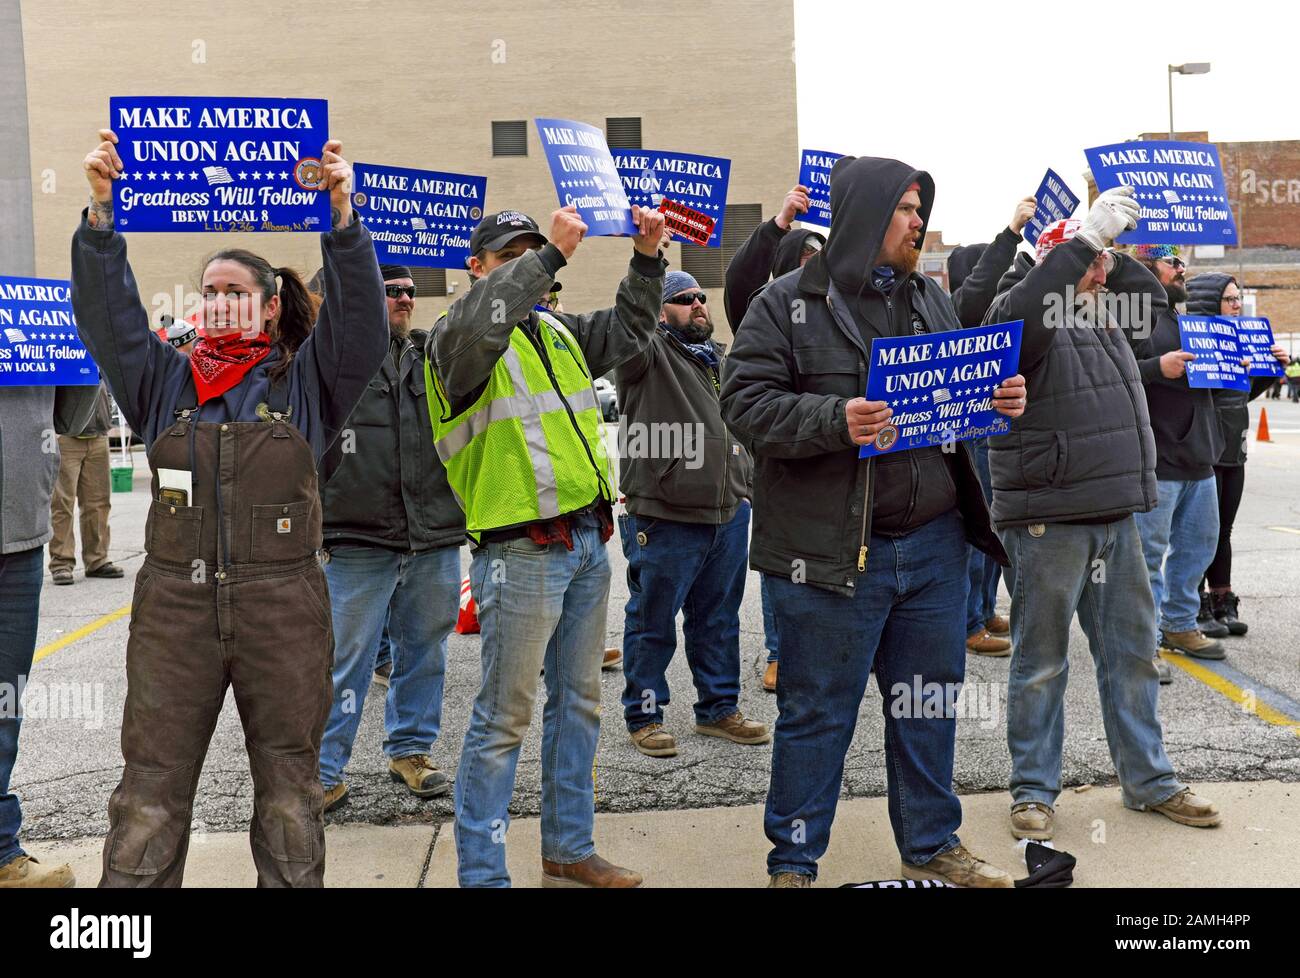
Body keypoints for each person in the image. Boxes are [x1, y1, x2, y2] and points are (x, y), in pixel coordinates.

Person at [74, 129, 386, 887]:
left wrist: (342, 217)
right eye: (208, 292)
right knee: (148, 796)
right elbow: (109, 321)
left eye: (234, 292)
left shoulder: (308, 386)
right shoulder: (163, 384)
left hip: (282, 613)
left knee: (288, 797)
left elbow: (360, 327)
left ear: (272, 306)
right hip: (173, 613)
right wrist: (101, 217)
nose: (216, 304)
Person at [721, 155, 1027, 888]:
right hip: (830, 557)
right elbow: (743, 406)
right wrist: (837, 418)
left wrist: (998, 400)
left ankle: (931, 843)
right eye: (905, 208)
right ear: (864, 216)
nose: (918, 222)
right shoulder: (786, 304)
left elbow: (954, 404)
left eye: (922, 209)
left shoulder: (932, 300)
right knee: (816, 715)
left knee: (927, 708)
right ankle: (793, 860)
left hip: (933, 550)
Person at [426, 204, 666, 888]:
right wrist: (551, 257)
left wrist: (647, 258)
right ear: (476, 268)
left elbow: (628, 328)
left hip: (587, 540)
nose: (530, 267)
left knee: (580, 704)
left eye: (533, 253)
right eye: (512, 256)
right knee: (504, 719)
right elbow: (484, 321)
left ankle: (568, 849)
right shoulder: (457, 336)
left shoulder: (556, 332)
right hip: (519, 554)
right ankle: (483, 874)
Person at [982, 199, 1221, 842]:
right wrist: (1083, 241)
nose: (1103, 272)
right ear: (1059, 259)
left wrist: (1113, 256)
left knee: (1132, 654)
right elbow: (1030, 310)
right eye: (1093, 261)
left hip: (1114, 515)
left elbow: (1149, 293)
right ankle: (1033, 790)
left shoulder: (1104, 314)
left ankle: (1149, 781)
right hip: (1048, 519)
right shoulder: (1016, 307)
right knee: (1041, 660)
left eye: (1107, 261)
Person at [316, 265, 465, 812]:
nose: (405, 298)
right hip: (357, 539)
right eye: (391, 291)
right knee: (344, 660)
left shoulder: (434, 357)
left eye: (409, 291)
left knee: (424, 650)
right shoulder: (334, 361)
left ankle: (411, 750)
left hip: (433, 535)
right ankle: (323, 770)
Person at [615, 270, 766, 758]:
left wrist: (744, 485)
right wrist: (646, 263)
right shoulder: (644, 353)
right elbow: (631, 322)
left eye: (702, 296)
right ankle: (645, 715)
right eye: (683, 299)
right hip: (664, 515)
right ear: (659, 312)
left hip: (726, 512)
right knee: (652, 619)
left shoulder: (718, 359)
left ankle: (718, 709)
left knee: (718, 618)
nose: (698, 304)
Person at [723, 185, 826, 693]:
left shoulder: (838, 309)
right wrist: (780, 222)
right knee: (786, 560)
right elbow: (739, 278)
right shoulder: (765, 308)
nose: (816, 266)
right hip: (784, 458)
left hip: (837, 452)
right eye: (805, 257)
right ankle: (780, 654)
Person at [1, 382, 98, 887]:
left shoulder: (35, 302)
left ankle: (1, 852)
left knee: (5, 704)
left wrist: (81, 350)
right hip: (21, 526)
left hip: (20, 533)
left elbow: (74, 415)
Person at [1125, 244, 1228, 674]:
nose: (1182, 269)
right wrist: (1156, 367)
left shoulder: (1189, 318)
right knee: (1146, 558)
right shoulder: (1133, 315)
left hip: (1200, 456)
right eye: (1173, 262)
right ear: (1149, 268)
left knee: (1198, 548)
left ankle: (1180, 623)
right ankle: (1142, 643)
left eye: (1182, 262)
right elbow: (1118, 370)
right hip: (1158, 459)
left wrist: (1243, 366)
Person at [946, 195, 1036, 657]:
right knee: (977, 529)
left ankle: (981, 610)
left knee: (992, 529)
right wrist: (1011, 234)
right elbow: (979, 288)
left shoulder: (989, 311)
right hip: (969, 433)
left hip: (991, 428)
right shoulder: (957, 309)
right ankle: (968, 622)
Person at [1186, 274, 1289, 635]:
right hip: (1204, 452)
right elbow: (1199, 396)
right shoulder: (1196, 345)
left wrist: (1270, 368)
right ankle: (1192, 599)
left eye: (1238, 298)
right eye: (1229, 298)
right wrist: (1228, 368)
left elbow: (1239, 397)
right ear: (1208, 302)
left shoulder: (1241, 341)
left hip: (1235, 450)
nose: (1236, 305)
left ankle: (1222, 598)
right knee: (1199, 531)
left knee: (1223, 530)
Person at [47, 381, 124, 585]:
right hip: (66, 436)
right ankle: (61, 563)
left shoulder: (98, 352)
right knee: (62, 503)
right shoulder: (66, 352)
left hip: (98, 434)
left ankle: (97, 560)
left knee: (99, 502)